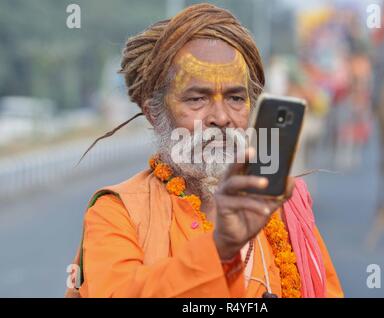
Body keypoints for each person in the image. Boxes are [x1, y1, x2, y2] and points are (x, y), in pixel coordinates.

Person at [66, 3, 343, 298]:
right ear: (154, 112)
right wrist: (220, 247)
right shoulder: (117, 212)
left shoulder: (284, 204)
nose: (221, 117)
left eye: (236, 98)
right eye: (197, 99)